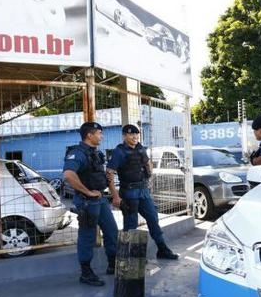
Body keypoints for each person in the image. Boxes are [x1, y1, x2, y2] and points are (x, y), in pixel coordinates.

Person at [106, 124, 179, 260]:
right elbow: (109, 173)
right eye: (131, 134)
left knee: (153, 219)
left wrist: (149, 176)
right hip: (129, 192)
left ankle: (162, 249)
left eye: (137, 134)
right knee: (130, 225)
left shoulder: (140, 148)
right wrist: (115, 197)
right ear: (124, 136)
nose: (135, 137)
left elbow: (147, 163)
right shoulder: (119, 151)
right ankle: (130, 257)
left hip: (143, 191)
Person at [63, 122, 118, 286]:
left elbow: (98, 174)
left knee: (111, 231)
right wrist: (87, 192)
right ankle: (86, 273)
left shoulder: (96, 153)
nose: (101, 136)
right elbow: (68, 175)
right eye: (99, 133)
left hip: (100, 199)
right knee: (87, 236)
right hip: (87, 202)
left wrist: (108, 181)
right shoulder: (77, 153)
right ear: (89, 135)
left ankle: (113, 265)